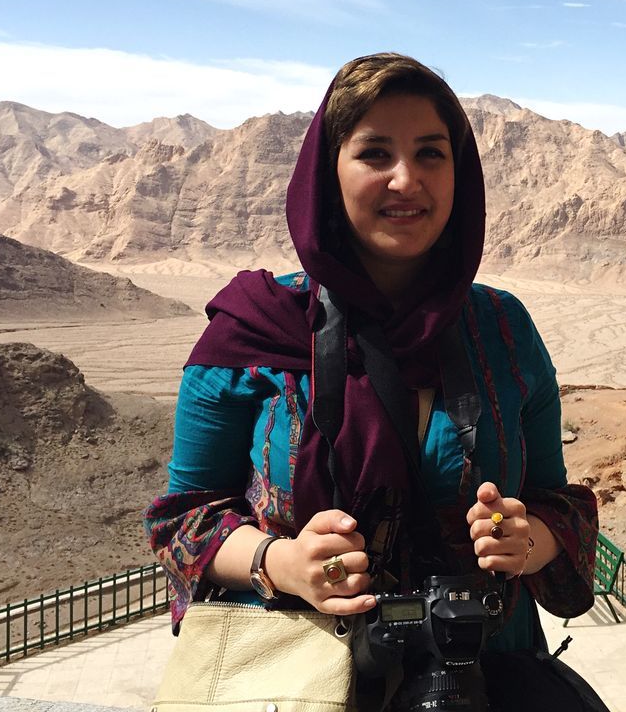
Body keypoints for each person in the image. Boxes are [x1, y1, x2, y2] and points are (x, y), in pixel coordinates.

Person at [145, 53, 598, 680]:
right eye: (375, 153)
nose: (406, 179)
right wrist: (284, 564)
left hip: (486, 673)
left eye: (432, 154)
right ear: (329, 173)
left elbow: (559, 502)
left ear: (459, 175)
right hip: (301, 677)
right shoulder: (255, 327)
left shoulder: (503, 329)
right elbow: (180, 522)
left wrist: (529, 540)